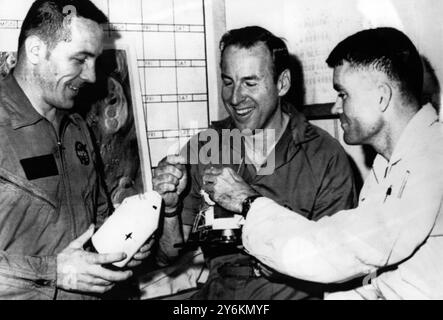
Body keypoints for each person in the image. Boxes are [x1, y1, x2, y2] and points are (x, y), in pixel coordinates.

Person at [203, 27, 443, 299]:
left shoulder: (432, 162)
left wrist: (249, 203)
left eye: (343, 94)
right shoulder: (391, 163)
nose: (335, 108)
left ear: (382, 97)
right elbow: (370, 281)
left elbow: (336, 254)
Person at [153, 26, 357, 300]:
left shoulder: (324, 156)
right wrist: (168, 208)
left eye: (250, 83)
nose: (235, 98)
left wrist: (253, 208)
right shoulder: (205, 147)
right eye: (228, 82)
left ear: (282, 83)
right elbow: (167, 256)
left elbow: (337, 264)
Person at [0, 0, 150, 300]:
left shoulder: (77, 128)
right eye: (80, 59)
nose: (92, 76)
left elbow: (98, 219)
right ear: (35, 50)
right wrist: (54, 272)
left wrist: (120, 246)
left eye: (94, 60)